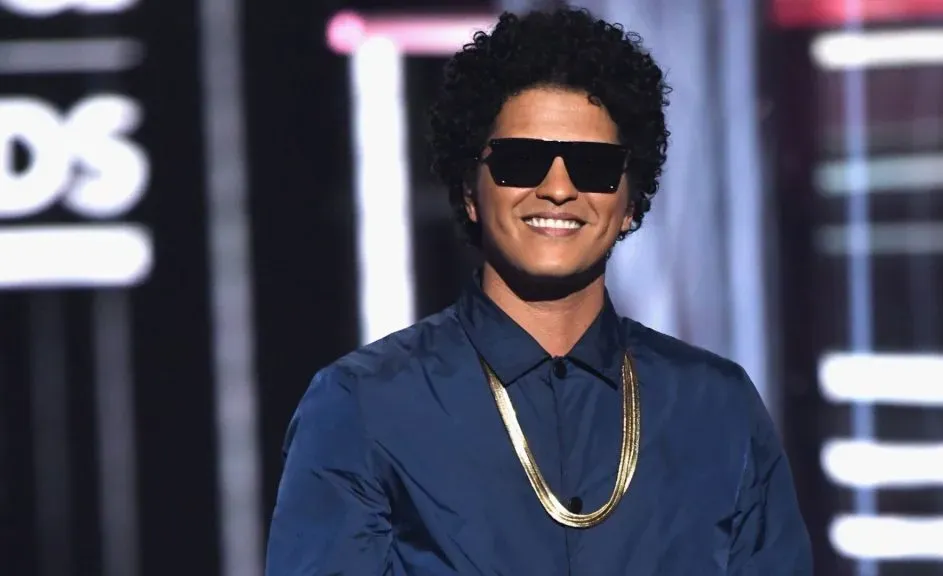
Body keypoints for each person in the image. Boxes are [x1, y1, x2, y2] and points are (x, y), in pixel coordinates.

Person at [265, 6, 812, 575]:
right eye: (520, 161)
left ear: (629, 203)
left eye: (593, 166)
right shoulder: (363, 408)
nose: (557, 188)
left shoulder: (716, 408)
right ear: (471, 192)